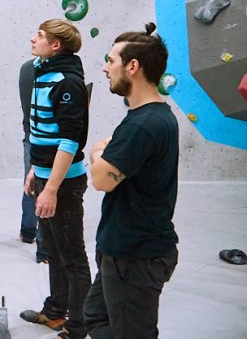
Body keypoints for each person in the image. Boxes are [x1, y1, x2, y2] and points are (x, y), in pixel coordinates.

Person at [85, 23, 178, 338]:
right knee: (96, 318)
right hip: (125, 250)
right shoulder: (148, 118)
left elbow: (101, 179)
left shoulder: (143, 125)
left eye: (111, 60)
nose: (105, 67)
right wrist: (105, 152)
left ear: (133, 67)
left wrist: (98, 152)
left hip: (135, 257)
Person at [20, 19, 91, 339]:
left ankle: (78, 326)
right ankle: (54, 312)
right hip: (46, 176)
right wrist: (36, 168)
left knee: (73, 256)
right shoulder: (43, 71)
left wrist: (50, 189)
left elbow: (69, 140)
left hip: (63, 184)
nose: (34, 39)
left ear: (56, 45)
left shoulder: (67, 82)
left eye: (41, 36)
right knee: (54, 252)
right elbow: (43, 131)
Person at [19, 57, 48, 263]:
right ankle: (44, 249)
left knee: (30, 184)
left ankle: (28, 230)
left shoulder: (26, 68)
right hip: (46, 139)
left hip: (30, 135)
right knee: (43, 187)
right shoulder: (50, 73)